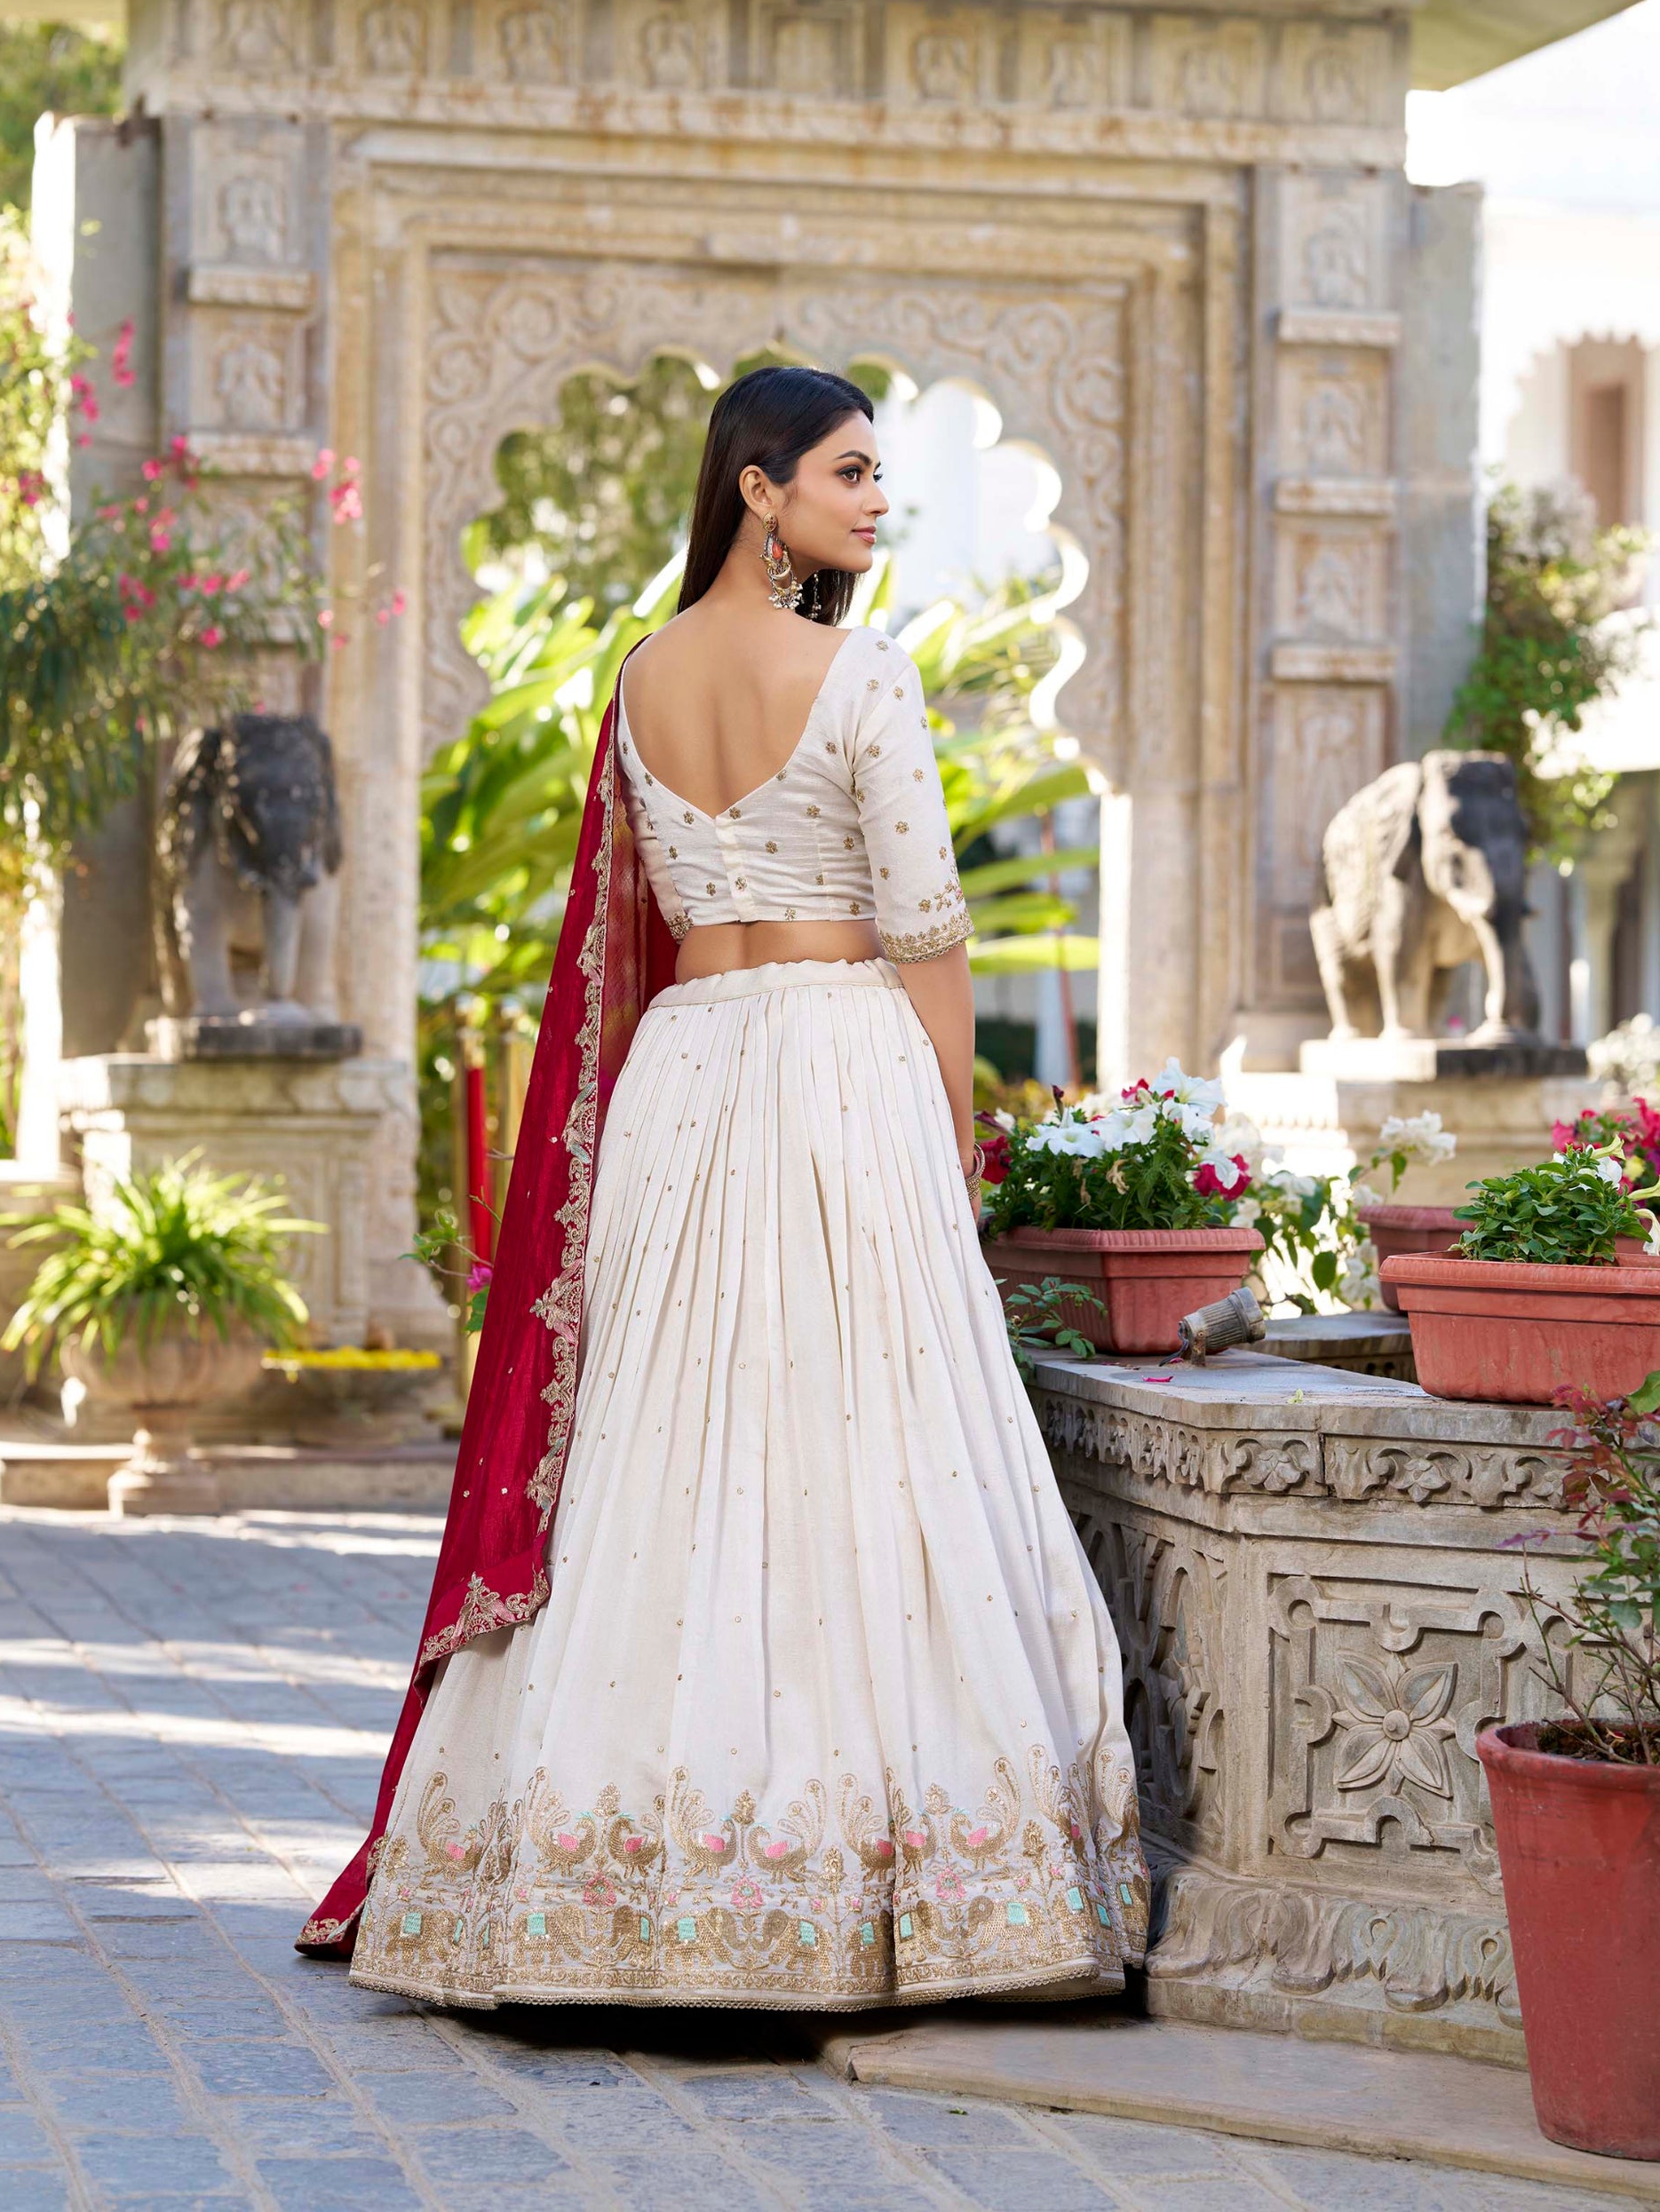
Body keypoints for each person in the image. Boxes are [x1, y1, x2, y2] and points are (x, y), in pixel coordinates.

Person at [300, 365, 1147, 2008]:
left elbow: (636, 926)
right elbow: (926, 930)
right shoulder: (862, 675)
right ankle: (879, 1884)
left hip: (686, 1076)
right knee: (865, 1437)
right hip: (838, 1061)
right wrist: (954, 1139)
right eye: (846, 475)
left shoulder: (638, 678)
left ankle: (592, 1885)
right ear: (756, 488)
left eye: (877, 478)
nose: (873, 504)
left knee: (663, 1448)